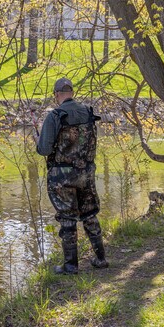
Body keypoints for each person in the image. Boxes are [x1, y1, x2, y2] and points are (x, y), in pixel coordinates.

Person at [35, 77, 108, 274]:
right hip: (86, 173)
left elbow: (44, 150)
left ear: (57, 95)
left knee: (67, 219)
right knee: (90, 214)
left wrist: (38, 138)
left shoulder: (55, 116)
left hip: (62, 177)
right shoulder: (88, 111)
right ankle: (101, 258)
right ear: (72, 92)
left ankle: (70, 266)